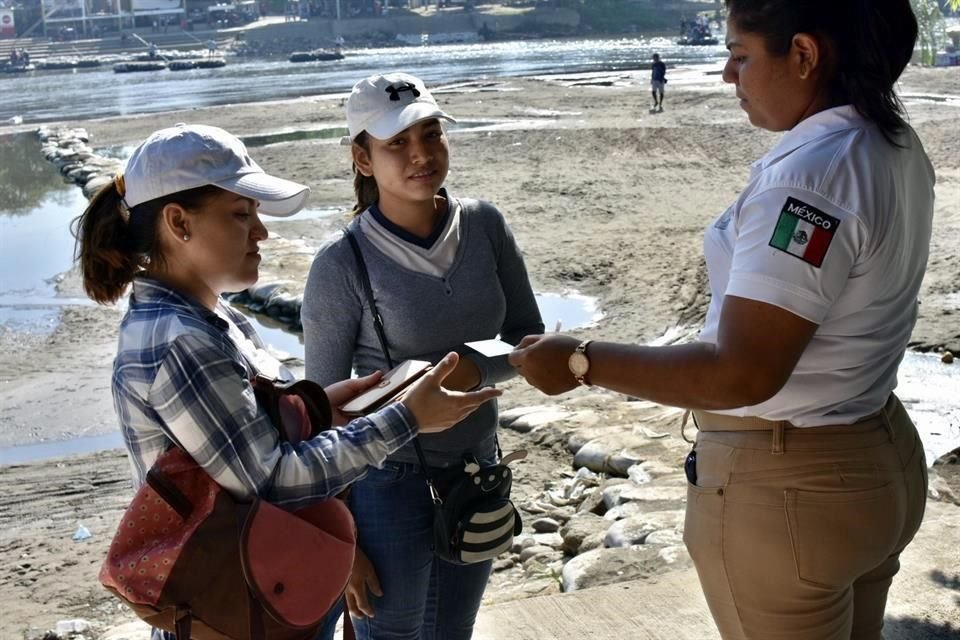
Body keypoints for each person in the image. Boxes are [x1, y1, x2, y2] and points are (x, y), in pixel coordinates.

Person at [510, 1, 932, 638]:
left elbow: (742, 371)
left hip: (792, 487)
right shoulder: (886, 141)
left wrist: (580, 360)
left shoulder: (811, 182)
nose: (726, 75)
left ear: (805, 55)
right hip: (876, 455)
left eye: (739, 55)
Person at [73, 123, 501, 640]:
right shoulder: (179, 341)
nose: (261, 232)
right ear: (178, 223)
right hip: (234, 607)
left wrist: (322, 408)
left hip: (264, 586)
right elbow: (271, 482)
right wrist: (406, 419)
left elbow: (246, 435)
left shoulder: (210, 315)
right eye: (241, 214)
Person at [301, 72, 544, 640]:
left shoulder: (485, 225)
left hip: (477, 471)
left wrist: (465, 371)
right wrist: (345, 544)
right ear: (362, 158)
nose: (421, 155)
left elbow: (527, 337)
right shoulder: (342, 265)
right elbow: (318, 418)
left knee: (453, 632)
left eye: (431, 134)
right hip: (388, 482)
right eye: (397, 144)